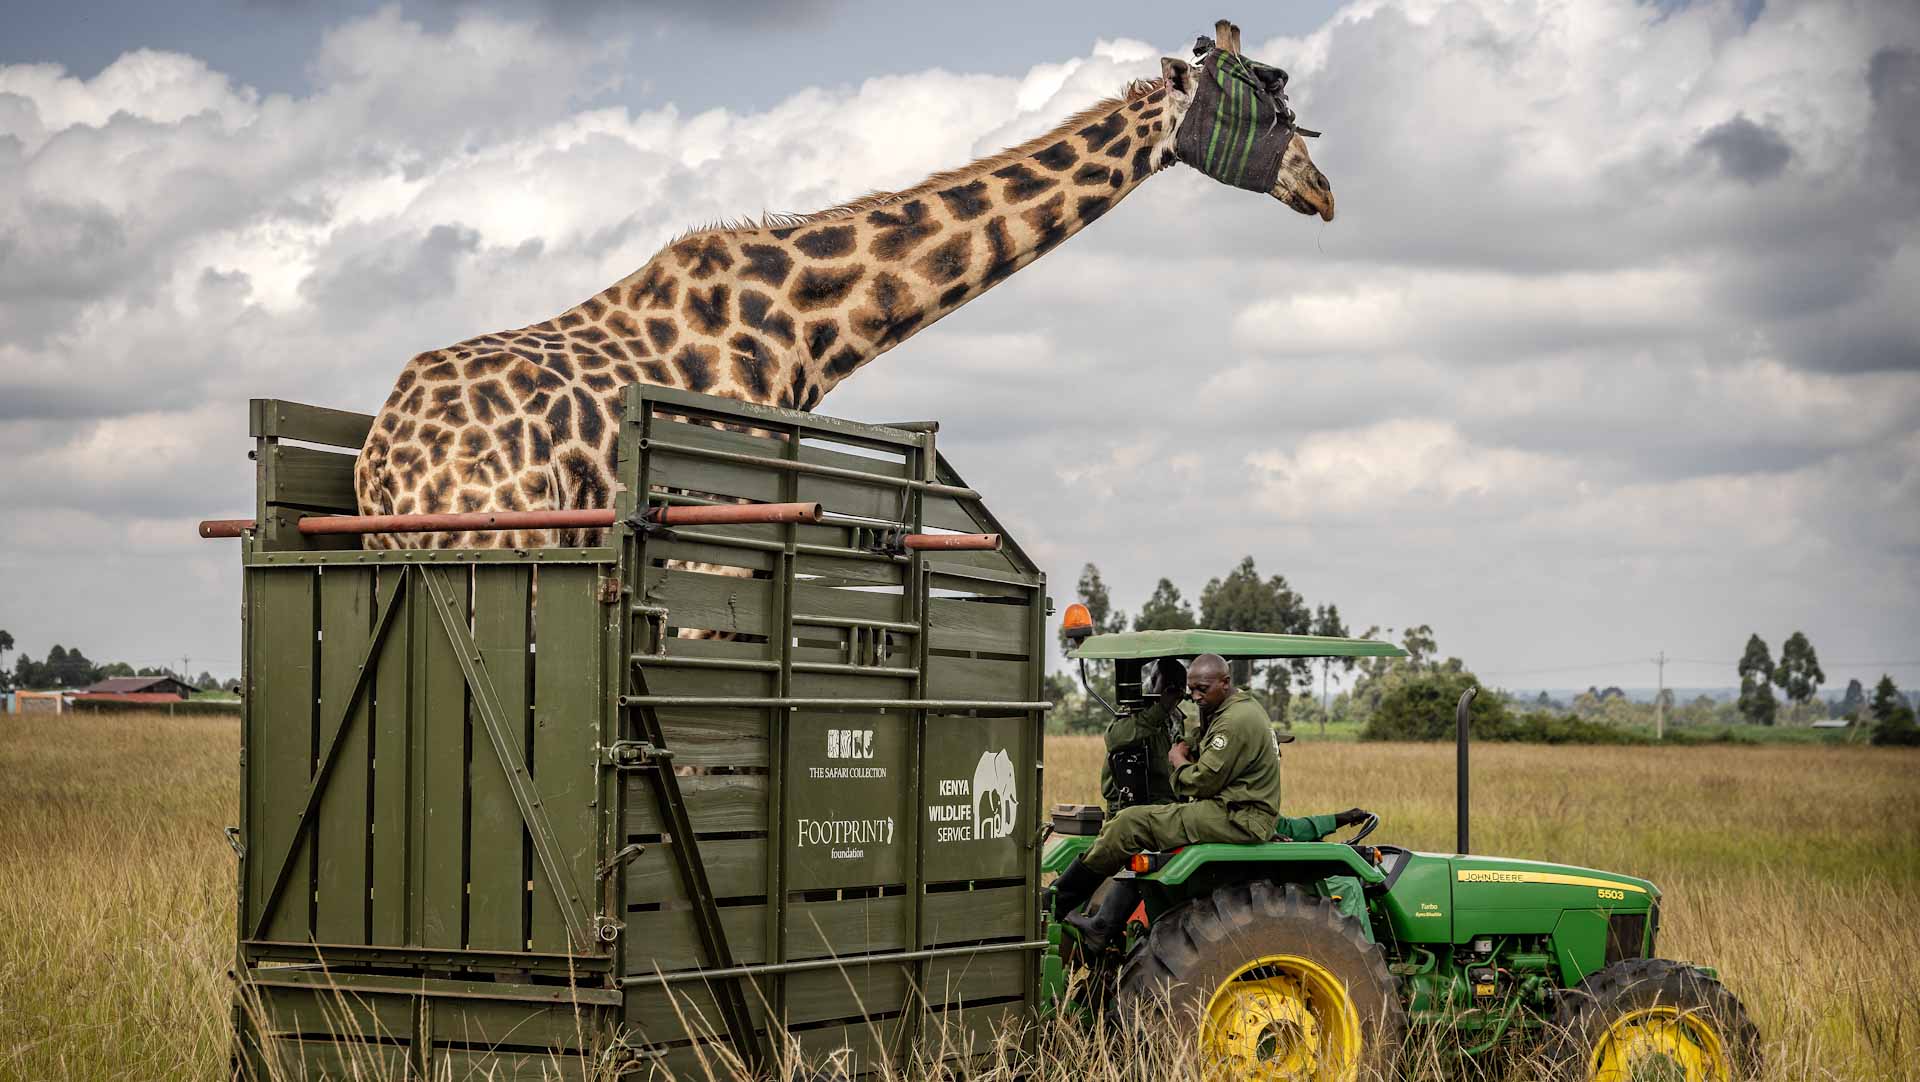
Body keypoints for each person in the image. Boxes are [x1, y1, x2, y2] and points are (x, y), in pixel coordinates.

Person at [1053, 654, 1282, 946]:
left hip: (1232, 813)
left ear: (1225, 683)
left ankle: (1055, 905)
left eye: (1201, 689)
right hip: (1224, 808)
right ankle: (1101, 924)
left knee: (1129, 826)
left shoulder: (1232, 719)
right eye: (1190, 689)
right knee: (1135, 833)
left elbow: (1203, 781)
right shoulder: (1222, 710)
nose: (1194, 696)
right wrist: (1162, 711)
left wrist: (1178, 760)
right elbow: (1117, 739)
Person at [1099, 658, 1189, 813]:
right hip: (1134, 806)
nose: (1175, 692)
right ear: (1154, 681)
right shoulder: (1136, 710)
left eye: (1179, 687)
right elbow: (1113, 739)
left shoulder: (1176, 718)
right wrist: (1160, 710)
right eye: (1169, 685)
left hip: (1167, 803)